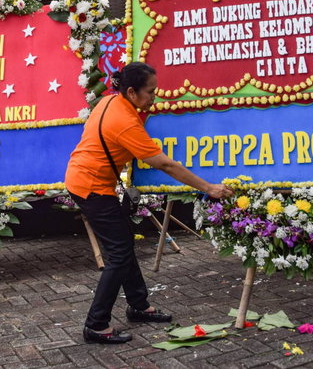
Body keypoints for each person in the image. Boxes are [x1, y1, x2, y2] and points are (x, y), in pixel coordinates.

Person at [65, 62, 232, 344]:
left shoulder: (110, 101)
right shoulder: (125, 122)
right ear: (131, 91)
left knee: (123, 243)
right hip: (91, 187)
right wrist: (208, 188)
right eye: (151, 92)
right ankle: (96, 324)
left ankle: (139, 306)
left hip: (85, 179)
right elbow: (165, 164)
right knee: (118, 256)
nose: (155, 96)